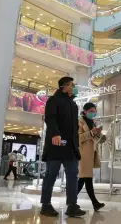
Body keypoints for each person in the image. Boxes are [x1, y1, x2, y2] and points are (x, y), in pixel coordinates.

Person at [40, 77, 85, 218]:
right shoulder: (53, 101)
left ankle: (72, 205)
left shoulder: (73, 105)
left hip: (70, 148)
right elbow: (50, 118)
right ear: (64, 87)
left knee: (73, 175)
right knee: (51, 175)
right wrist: (55, 134)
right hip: (56, 145)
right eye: (72, 85)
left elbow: (73, 129)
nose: (75, 87)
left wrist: (76, 144)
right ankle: (46, 205)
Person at [77, 102, 105, 211]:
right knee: (85, 178)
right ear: (85, 111)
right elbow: (78, 138)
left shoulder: (92, 122)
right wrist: (91, 133)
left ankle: (73, 201)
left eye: (94, 112)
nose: (93, 114)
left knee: (85, 179)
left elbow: (93, 137)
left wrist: (98, 133)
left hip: (90, 153)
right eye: (91, 111)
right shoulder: (79, 122)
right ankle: (72, 201)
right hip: (83, 154)